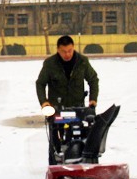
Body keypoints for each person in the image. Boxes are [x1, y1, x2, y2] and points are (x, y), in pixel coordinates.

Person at [35, 35, 99, 164]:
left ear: (73, 48)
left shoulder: (82, 61)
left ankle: (85, 158)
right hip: (57, 109)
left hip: (78, 107)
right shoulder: (50, 64)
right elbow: (40, 83)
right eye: (64, 51)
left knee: (84, 134)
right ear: (58, 50)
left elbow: (93, 80)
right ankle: (56, 160)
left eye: (70, 50)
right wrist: (44, 103)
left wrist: (93, 100)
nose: (67, 54)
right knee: (55, 138)